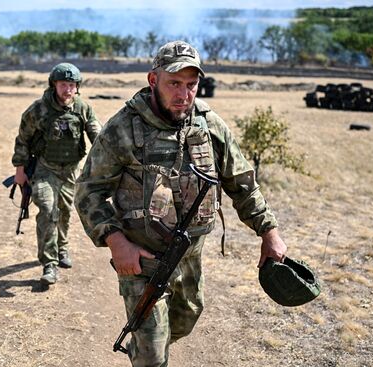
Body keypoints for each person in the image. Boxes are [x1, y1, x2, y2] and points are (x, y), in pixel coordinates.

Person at [74, 41, 287, 366]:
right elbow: (88, 191)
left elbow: (241, 182)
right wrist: (117, 243)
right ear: (153, 79)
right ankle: (147, 350)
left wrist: (268, 231)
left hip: (190, 257)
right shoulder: (123, 129)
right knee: (154, 355)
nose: (184, 94)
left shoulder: (208, 124)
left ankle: (146, 345)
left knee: (185, 320)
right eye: (174, 83)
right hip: (142, 261)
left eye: (191, 85)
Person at [11, 63, 102, 287]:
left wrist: (106, 159)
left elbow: (97, 136)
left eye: (72, 85)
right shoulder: (38, 110)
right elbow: (22, 140)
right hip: (45, 169)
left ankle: (62, 248)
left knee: (64, 212)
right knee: (47, 210)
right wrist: (19, 171)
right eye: (63, 84)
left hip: (71, 171)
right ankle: (49, 264)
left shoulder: (82, 108)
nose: (67, 89)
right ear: (54, 85)